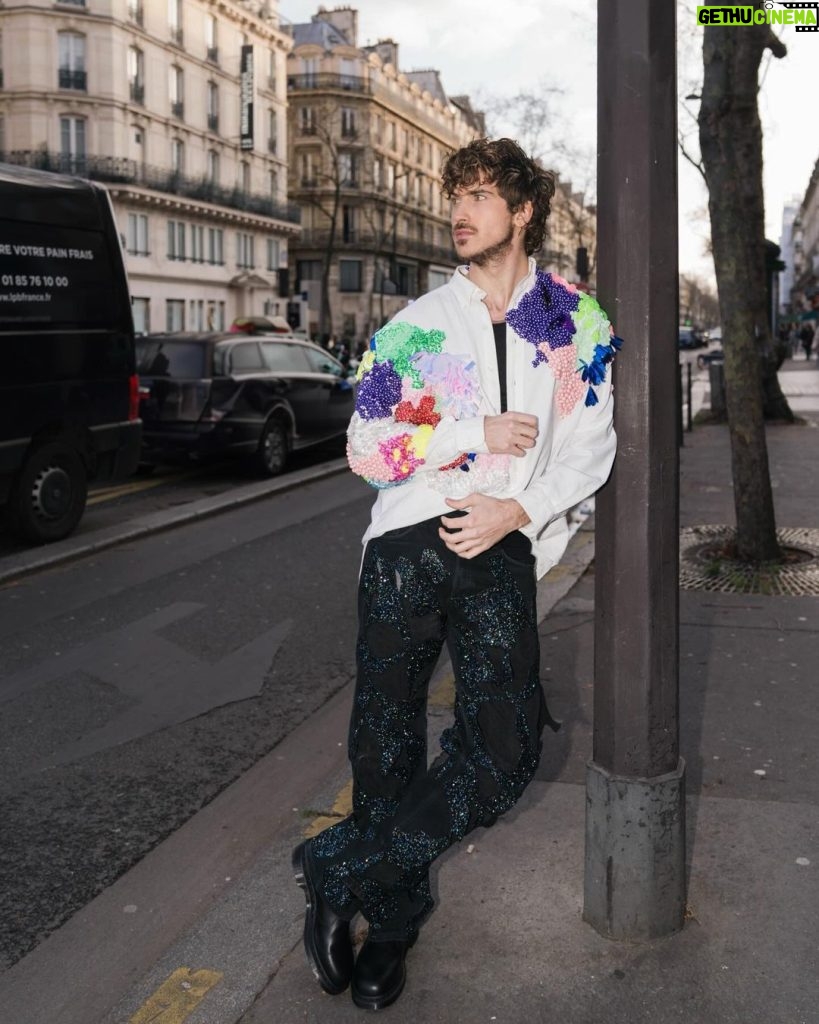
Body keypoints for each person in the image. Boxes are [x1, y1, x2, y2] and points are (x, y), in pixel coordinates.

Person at [292, 137, 620, 1011]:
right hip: (407, 543)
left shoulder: (569, 321)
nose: (459, 212)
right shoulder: (419, 325)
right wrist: (472, 431)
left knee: (504, 752)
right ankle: (388, 932)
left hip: (500, 544)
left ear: (522, 211)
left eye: (478, 195)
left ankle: (336, 871)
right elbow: (369, 448)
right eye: (454, 197)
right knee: (385, 746)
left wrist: (519, 509)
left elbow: (590, 449)